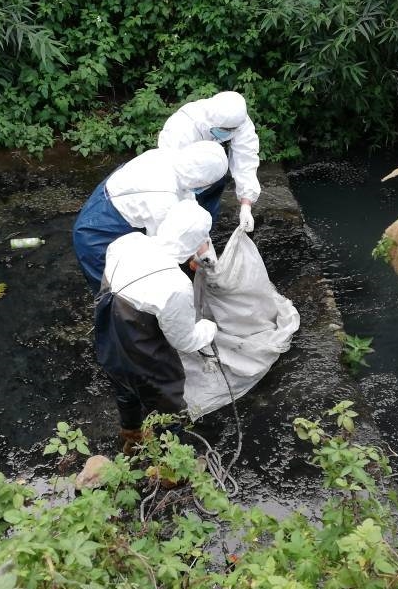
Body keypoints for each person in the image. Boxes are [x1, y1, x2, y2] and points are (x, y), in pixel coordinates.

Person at [93, 201, 219, 450]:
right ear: (194, 244)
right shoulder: (174, 285)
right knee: (167, 404)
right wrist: (208, 327)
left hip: (108, 334)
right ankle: (170, 466)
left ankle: (131, 437)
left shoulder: (127, 243)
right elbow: (183, 341)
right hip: (143, 352)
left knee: (123, 388)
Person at [72, 142, 227, 290]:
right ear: (201, 179)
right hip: (97, 233)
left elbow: (188, 205)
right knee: (118, 291)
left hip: (119, 196)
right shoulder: (163, 199)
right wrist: (194, 258)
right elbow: (164, 251)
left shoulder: (175, 160)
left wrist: (205, 253)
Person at [158, 90, 261, 232]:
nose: (230, 132)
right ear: (213, 122)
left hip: (211, 171)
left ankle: (207, 235)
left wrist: (246, 205)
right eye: (225, 129)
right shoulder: (181, 128)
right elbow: (170, 174)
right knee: (183, 224)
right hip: (183, 178)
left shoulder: (239, 120)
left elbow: (246, 159)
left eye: (232, 130)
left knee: (207, 219)